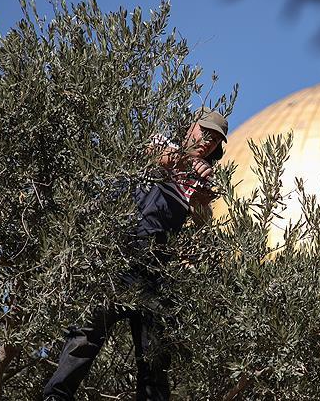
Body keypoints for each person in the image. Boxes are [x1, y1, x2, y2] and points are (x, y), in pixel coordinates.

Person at [43, 107, 229, 401]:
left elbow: (202, 219)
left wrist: (203, 196)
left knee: (154, 359)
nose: (208, 141)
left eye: (215, 140)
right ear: (190, 126)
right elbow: (157, 156)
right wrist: (189, 165)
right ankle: (56, 396)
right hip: (121, 257)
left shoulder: (200, 181)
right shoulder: (162, 142)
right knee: (85, 335)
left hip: (156, 271)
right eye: (205, 131)